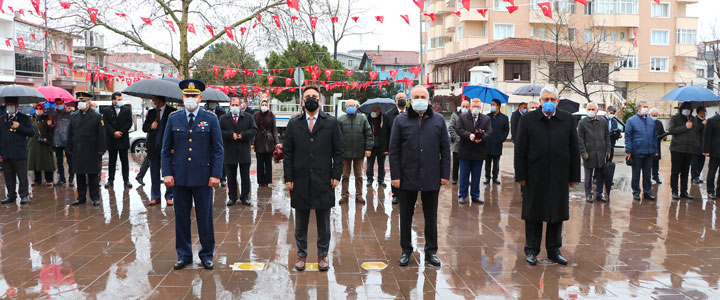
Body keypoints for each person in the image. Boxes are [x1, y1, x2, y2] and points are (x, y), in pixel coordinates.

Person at [514, 86, 580, 266]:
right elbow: (520, 149)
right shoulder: (528, 120)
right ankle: (531, 250)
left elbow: (574, 148)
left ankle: (554, 250)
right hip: (534, 174)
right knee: (533, 213)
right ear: (541, 101)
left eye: (553, 100)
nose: (549, 103)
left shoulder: (567, 119)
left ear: (557, 102)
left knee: (556, 213)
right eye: (546, 99)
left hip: (559, 174)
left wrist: (574, 174)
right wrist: (521, 175)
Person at [162, 79, 224, 270]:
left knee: (204, 216)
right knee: (181, 217)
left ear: (200, 98)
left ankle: (206, 254)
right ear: (182, 98)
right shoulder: (173, 118)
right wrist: (167, 173)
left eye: (193, 96)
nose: (190, 99)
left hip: (203, 176)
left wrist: (216, 174)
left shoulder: (211, 119)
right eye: (187, 96)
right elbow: (166, 150)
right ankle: (184, 254)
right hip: (179, 177)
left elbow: (218, 150)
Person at [283, 86, 343, 272]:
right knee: (300, 220)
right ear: (302, 101)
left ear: (320, 100)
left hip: (324, 178)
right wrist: (288, 178)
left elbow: (338, 151)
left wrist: (336, 175)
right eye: (307, 96)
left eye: (314, 96)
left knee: (324, 220)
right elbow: (288, 153)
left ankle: (322, 255)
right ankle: (301, 255)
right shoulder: (294, 124)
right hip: (299, 179)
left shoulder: (331, 123)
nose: (311, 99)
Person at [390, 85, 450, 267]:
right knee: (405, 216)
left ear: (428, 99)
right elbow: (393, 150)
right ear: (410, 99)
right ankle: (406, 250)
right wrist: (395, 176)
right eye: (416, 96)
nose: (419, 99)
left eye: (422, 96)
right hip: (407, 176)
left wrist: (445, 174)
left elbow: (445, 150)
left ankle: (431, 252)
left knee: (431, 216)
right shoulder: (400, 121)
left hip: (432, 176)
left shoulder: (438, 120)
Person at [67, 92, 107, 206]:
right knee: (79, 174)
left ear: (88, 103)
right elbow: (69, 133)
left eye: (83, 101)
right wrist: (69, 147)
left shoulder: (96, 116)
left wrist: (101, 149)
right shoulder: (74, 116)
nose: (81, 104)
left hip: (92, 150)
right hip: (78, 150)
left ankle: (95, 197)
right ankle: (81, 197)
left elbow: (101, 134)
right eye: (79, 101)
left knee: (93, 174)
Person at [219, 97, 257, 206]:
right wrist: (230, 135)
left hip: (244, 150)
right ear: (230, 106)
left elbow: (254, 130)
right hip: (229, 151)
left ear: (240, 106)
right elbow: (219, 131)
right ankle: (232, 197)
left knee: (245, 176)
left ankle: (245, 197)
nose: (235, 107)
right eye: (233, 105)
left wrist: (243, 135)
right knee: (231, 176)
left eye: (237, 105)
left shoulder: (248, 117)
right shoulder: (223, 118)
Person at [454, 99, 492, 204]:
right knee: (464, 175)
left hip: (478, 151)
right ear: (470, 107)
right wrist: (469, 135)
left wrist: (482, 137)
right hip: (465, 150)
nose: (476, 108)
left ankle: (475, 195)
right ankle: (462, 195)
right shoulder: (463, 117)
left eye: (478, 107)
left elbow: (489, 132)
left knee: (476, 176)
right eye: (474, 106)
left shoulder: (485, 119)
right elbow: (458, 129)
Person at [337, 99, 373, 204]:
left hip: (359, 151)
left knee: (359, 176)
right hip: (344, 153)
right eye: (348, 106)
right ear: (345, 108)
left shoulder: (363, 119)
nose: (351, 107)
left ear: (357, 107)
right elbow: (337, 137)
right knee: (345, 175)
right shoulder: (340, 119)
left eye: (353, 105)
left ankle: (359, 195)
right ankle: (344, 195)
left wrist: (368, 148)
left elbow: (369, 134)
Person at [142, 96, 176, 206]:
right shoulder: (151, 112)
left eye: (154, 100)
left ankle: (169, 196)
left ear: (160, 100)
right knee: (154, 173)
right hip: (153, 147)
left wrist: (173, 147)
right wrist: (151, 126)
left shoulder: (172, 112)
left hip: (167, 148)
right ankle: (156, 196)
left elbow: (175, 131)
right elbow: (144, 127)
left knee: (168, 172)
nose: (153, 102)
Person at [0, 97, 34, 205]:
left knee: (22, 175)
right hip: (6, 151)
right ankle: (11, 195)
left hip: (19, 152)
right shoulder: (2, 118)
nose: (10, 106)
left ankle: (24, 195)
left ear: (17, 106)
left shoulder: (24, 118)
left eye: (12, 104)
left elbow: (31, 132)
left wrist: (19, 127)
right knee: (8, 175)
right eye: (8, 104)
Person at [577, 103, 611, 203]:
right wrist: (583, 153)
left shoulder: (603, 121)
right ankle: (588, 194)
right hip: (589, 154)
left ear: (597, 111)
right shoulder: (582, 123)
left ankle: (599, 194)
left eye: (593, 109)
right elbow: (580, 140)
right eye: (589, 109)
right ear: (586, 110)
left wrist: (608, 150)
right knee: (588, 177)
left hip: (601, 153)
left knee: (600, 176)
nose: (591, 111)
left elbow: (607, 136)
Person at [625, 100, 659, 201]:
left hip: (649, 152)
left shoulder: (651, 121)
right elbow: (628, 136)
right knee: (636, 174)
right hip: (637, 152)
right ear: (638, 108)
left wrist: (655, 149)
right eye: (644, 106)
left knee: (647, 175)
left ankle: (647, 192)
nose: (646, 108)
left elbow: (654, 136)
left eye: (647, 106)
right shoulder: (631, 121)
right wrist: (628, 151)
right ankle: (636, 192)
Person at [668, 101, 700, 200]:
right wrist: (685, 127)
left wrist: (696, 144)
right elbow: (671, 130)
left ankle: (684, 191)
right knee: (675, 171)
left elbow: (696, 132)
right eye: (686, 108)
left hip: (689, 150)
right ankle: (674, 191)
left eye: (689, 109)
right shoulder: (675, 118)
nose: (687, 110)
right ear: (681, 109)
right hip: (677, 149)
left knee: (685, 172)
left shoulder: (694, 119)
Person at [102, 92, 133, 188]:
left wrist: (121, 132)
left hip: (123, 138)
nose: (120, 101)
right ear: (113, 100)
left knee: (124, 161)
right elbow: (106, 124)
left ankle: (126, 180)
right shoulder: (106, 110)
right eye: (118, 99)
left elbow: (129, 123)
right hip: (112, 139)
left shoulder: (127, 110)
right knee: (112, 161)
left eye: (121, 99)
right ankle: (110, 180)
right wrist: (113, 132)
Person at [382, 92, 407, 205]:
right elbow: (385, 133)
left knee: (408, 170)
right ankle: (395, 194)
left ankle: (407, 193)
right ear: (395, 101)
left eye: (403, 98)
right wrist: (385, 148)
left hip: (409, 148)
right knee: (395, 171)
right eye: (399, 98)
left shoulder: (412, 113)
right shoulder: (388, 114)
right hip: (394, 148)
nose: (401, 100)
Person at [27, 103, 56, 187]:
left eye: (40, 108)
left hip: (45, 144)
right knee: (36, 162)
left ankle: (49, 179)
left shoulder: (48, 118)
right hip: (34, 144)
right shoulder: (32, 119)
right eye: (37, 108)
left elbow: (52, 132)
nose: (39, 110)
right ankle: (37, 179)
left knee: (47, 162)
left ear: (43, 109)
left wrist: (50, 125)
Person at [253, 100, 279, 187]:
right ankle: (260, 181)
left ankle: (267, 180)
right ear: (260, 105)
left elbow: (274, 130)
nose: (264, 106)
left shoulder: (271, 115)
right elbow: (254, 129)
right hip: (259, 140)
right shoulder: (256, 115)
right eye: (262, 104)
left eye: (265, 104)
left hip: (269, 141)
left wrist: (277, 142)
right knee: (259, 163)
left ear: (268, 106)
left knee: (268, 163)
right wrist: (253, 142)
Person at [485, 99, 509, 185]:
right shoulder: (487, 117)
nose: (492, 106)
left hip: (497, 143)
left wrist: (501, 138)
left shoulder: (504, 118)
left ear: (498, 106)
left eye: (493, 104)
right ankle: (487, 177)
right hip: (488, 143)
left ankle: (495, 177)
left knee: (496, 162)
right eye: (491, 104)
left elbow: (506, 130)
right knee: (487, 163)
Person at [50, 98, 73, 186]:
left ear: (63, 103)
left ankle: (71, 179)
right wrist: (51, 125)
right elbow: (52, 128)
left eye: (60, 103)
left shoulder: (69, 114)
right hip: (57, 141)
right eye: (57, 103)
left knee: (70, 161)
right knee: (59, 162)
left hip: (67, 141)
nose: (59, 105)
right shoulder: (54, 115)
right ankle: (62, 179)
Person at [205, 99, 227, 186]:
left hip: (219, 138)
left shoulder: (221, 112)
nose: (212, 103)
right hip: (207, 138)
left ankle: (222, 177)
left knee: (221, 157)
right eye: (210, 102)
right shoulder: (204, 111)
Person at [448, 100, 469, 185]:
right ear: (461, 106)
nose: (464, 108)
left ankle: (466, 179)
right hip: (457, 144)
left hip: (468, 144)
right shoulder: (455, 115)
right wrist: (457, 138)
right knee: (456, 163)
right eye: (463, 106)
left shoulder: (471, 116)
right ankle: (455, 178)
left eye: (466, 107)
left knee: (467, 164)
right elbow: (451, 128)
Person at [366, 106, 386, 187]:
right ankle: (369, 180)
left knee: (381, 164)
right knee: (370, 164)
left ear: (379, 110)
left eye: (375, 110)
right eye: (372, 110)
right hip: (371, 145)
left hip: (381, 145)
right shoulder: (368, 119)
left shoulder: (384, 118)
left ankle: (381, 180)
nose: (374, 111)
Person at [703, 110, 720, 199]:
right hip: (715, 151)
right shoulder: (712, 120)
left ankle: (719, 191)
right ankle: (710, 191)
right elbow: (707, 136)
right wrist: (706, 150)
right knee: (712, 172)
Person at [650, 108, 667, 184]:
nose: (655, 116)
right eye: (653, 115)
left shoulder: (659, 123)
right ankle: (647, 178)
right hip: (649, 145)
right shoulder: (647, 122)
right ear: (649, 115)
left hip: (657, 144)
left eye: (656, 115)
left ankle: (655, 176)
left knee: (656, 162)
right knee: (648, 162)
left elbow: (662, 132)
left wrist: (664, 137)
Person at [691, 106, 707, 183]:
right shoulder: (694, 119)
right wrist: (702, 124)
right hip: (695, 144)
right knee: (694, 162)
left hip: (703, 145)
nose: (705, 113)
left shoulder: (705, 121)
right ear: (700, 112)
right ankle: (694, 176)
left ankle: (698, 175)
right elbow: (695, 130)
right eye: (704, 111)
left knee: (702, 161)